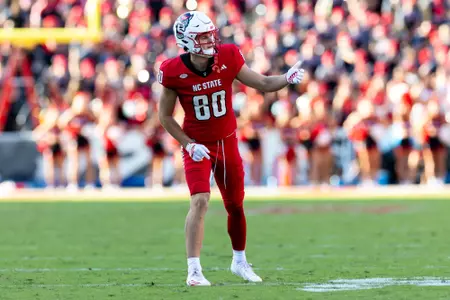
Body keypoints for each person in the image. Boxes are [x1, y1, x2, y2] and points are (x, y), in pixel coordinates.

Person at [158, 11, 305, 286]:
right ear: (186, 41)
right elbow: (165, 116)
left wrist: (287, 77)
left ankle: (239, 261)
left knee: (235, 205)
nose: (209, 40)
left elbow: (261, 82)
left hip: (226, 141)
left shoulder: (227, 56)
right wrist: (188, 145)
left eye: (209, 34)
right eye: (201, 36)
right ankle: (194, 270)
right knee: (200, 200)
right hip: (197, 145)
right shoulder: (172, 71)